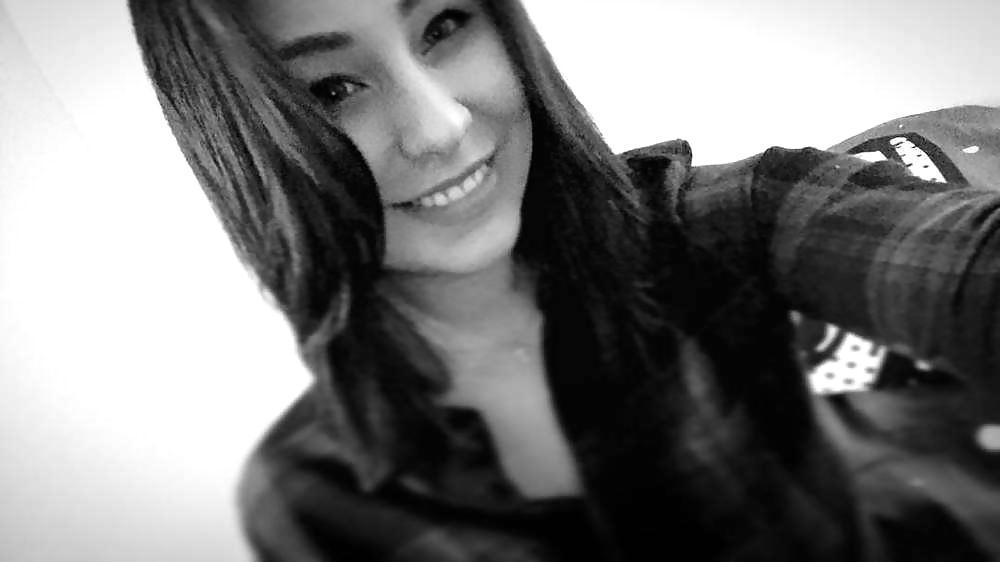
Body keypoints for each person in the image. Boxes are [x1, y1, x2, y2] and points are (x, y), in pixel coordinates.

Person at [127, 1, 1000, 560]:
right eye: (331, 89)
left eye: (443, 26)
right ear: (246, 146)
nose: (440, 127)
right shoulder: (313, 494)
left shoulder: (727, 217)